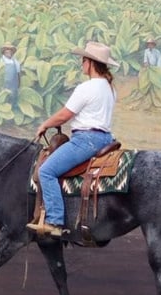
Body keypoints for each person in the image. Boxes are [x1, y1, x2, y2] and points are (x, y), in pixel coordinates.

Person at [27, 41, 119, 238]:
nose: (81, 64)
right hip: (106, 139)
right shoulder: (110, 88)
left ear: (91, 63)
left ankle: (54, 221)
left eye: (83, 60)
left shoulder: (87, 87)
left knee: (47, 171)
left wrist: (45, 124)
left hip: (86, 140)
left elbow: (65, 115)